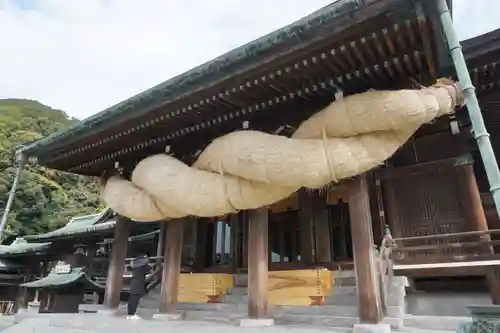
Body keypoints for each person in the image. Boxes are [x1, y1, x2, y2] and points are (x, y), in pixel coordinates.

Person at [127, 254, 149, 320]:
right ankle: (132, 314)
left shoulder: (134, 265)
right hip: (138, 284)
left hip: (133, 283)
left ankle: (130, 314)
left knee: (131, 300)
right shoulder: (142, 266)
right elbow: (148, 269)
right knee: (135, 300)